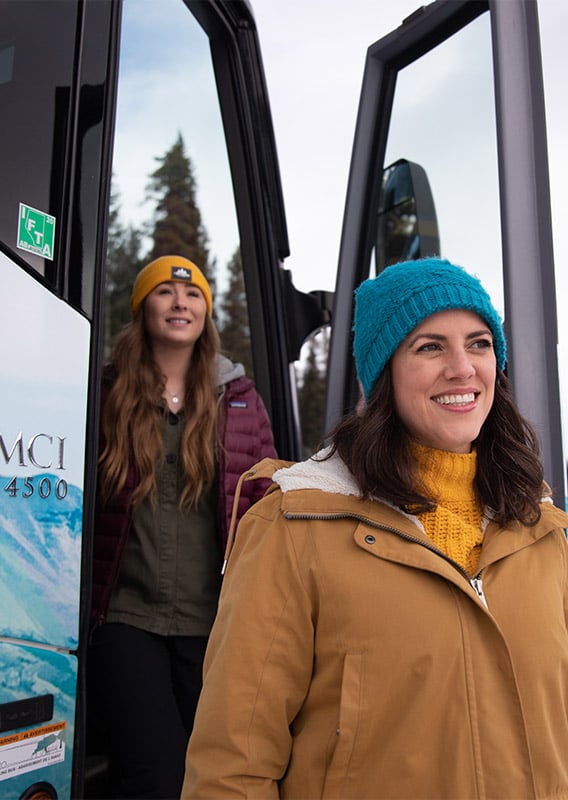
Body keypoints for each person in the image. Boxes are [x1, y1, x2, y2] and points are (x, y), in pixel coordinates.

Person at [182, 257, 568, 799]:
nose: (462, 368)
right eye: (430, 346)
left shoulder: (544, 532)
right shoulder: (296, 528)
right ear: (384, 372)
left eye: (479, 344)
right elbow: (233, 767)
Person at [87, 254, 277, 799]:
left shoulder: (239, 399)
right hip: (125, 616)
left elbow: (264, 497)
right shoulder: (106, 393)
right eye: (165, 293)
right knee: (154, 772)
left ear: (206, 314)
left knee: (211, 772)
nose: (180, 303)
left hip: (213, 621)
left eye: (193, 295)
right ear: (142, 308)